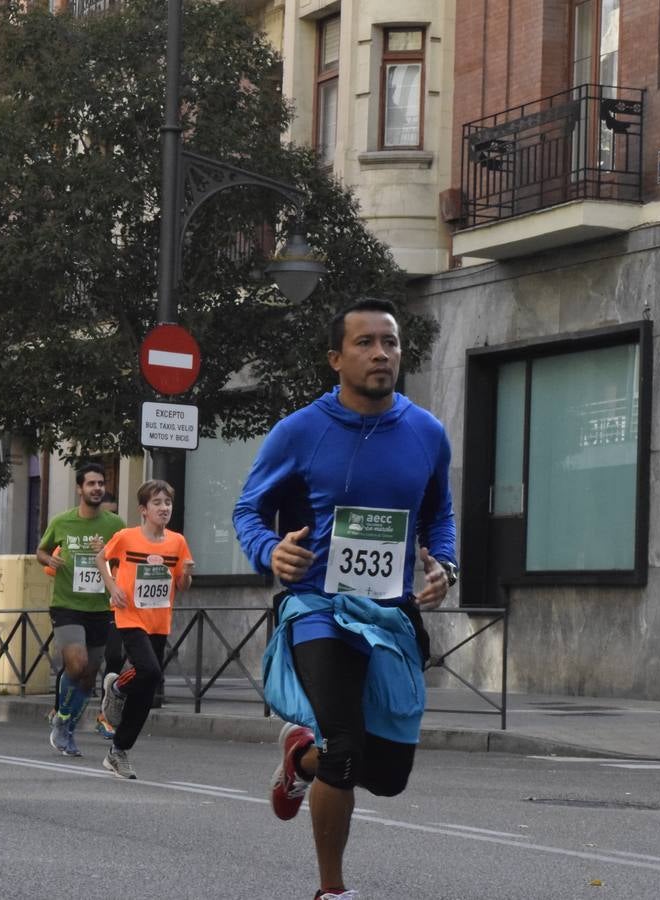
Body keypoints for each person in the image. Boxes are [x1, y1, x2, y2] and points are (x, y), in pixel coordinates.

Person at [232, 297, 457, 900]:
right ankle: (332, 891)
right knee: (346, 750)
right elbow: (248, 509)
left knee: (388, 775)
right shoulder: (300, 432)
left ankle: (296, 759)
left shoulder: (427, 434)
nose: (381, 353)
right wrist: (269, 552)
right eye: (365, 343)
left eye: (391, 342)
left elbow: (441, 517)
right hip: (317, 608)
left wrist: (447, 567)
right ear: (336, 358)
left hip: (388, 612)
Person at [94, 480, 193, 779]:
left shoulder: (177, 542)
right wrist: (112, 587)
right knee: (150, 671)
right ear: (144, 510)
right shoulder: (126, 537)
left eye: (168, 503)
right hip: (129, 616)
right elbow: (101, 558)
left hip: (159, 620)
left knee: (147, 691)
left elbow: (181, 586)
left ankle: (118, 751)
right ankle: (118, 687)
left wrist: (187, 574)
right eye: (157, 503)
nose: (164, 508)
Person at [36, 462, 126, 756]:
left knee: (89, 674)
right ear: (79, 489)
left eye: (101, 483)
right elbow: (42, 550)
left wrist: (107, 556)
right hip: (67, 605)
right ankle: (62, 716)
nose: (97, 488)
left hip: (100, 606)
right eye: (91, 484)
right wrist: (49, 560)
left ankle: (67, 726)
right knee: (76, 664)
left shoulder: (115, 525)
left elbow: (124, 563)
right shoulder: (62, 521)